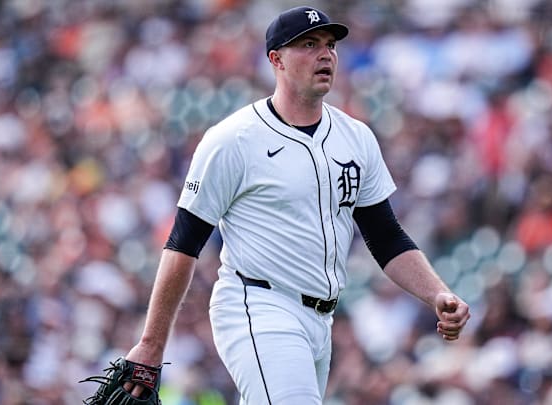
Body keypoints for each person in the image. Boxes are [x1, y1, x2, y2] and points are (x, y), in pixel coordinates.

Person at [122, 6, 470, 404]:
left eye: (330, 45)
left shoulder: (355, 137)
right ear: (276, 60)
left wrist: (436, 293)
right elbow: (183, 244)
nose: (325, 55)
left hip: (321, 321)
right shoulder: (233, 139)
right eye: (308, 45)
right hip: (258, 305)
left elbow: (386, 237)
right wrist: (152, 343)